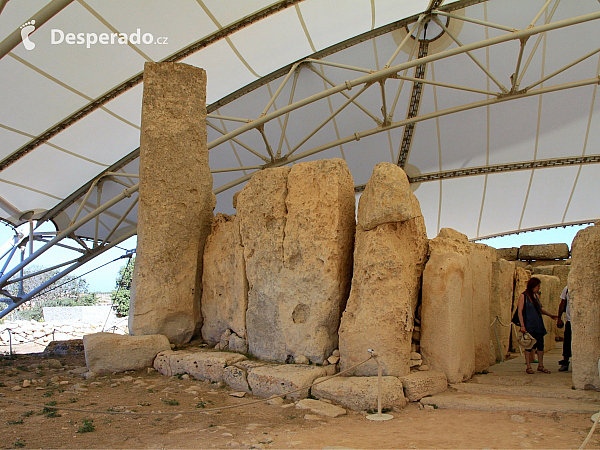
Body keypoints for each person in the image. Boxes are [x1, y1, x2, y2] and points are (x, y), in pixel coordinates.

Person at [518, 277, 558, 374]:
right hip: (529, 324)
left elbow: (540, 309)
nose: (539, 288)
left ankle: (541, 365)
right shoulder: (523, 296)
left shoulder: (535, 296)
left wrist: (550, 315)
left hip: (538, 324)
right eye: (538, 286)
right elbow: (520, 311)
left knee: (540, 345)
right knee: (529, 346)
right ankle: (528, 366)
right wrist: (522, 325)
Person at [557, 286, 572, 372]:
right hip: (570, 320)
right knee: (567, 342)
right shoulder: (567, 289)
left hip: (582, 322)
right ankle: (565, 362)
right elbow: (562, 303)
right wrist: (559, 318)